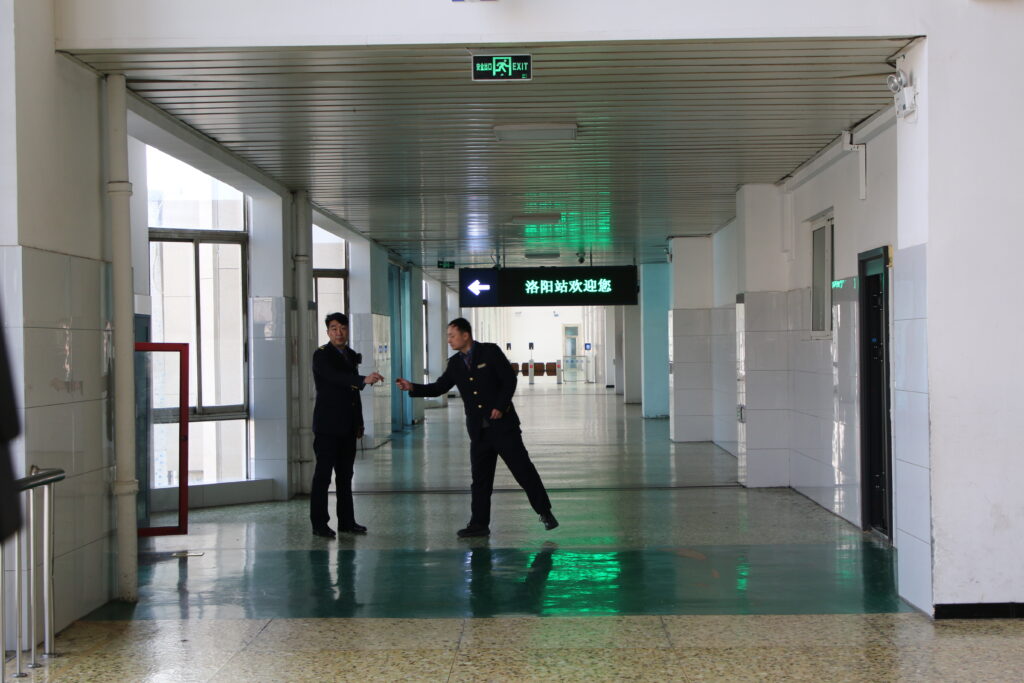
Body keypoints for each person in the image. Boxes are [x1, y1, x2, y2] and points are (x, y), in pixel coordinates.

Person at [396, 317, 557, 537]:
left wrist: (500, 406)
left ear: (466, 335)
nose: (449, 340)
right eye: (448, 336)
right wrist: (413, 387)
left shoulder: (490, 352)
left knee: (523, 470)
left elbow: (509, 380)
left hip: (504, 427)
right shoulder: (455, 363)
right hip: (479, 432)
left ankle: (545, 512)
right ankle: (479, 524)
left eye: (452, 336)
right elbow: (439, 387)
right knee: (480, 479)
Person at [311, 312, 383, 538]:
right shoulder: (321, 355)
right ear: (327, 332)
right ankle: (319, 523)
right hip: (327, 427)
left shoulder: (350, 355)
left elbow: (353, 395)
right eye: (334, 329)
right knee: (323, 476)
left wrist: (359, 423)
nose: (339, 333)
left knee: (345, 476)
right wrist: (362, 380)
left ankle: (347, 521)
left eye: (342, 328)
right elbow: (334, 378)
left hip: (348, 426)